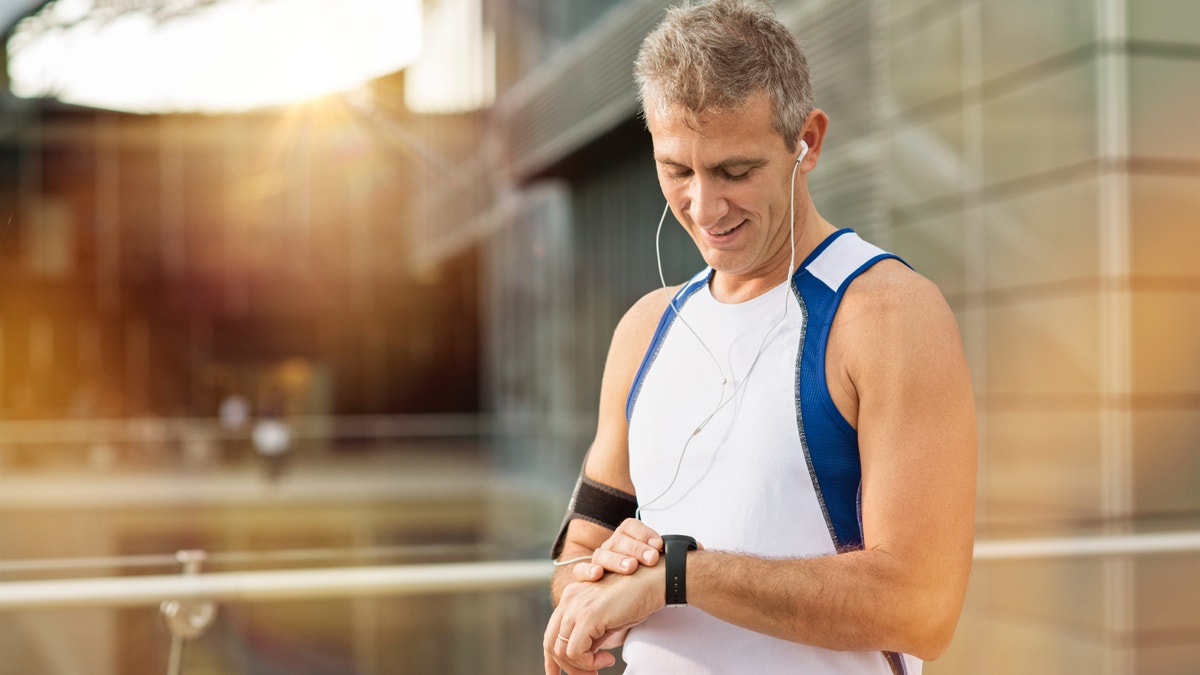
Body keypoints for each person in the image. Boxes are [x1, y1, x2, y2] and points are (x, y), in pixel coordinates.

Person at [543, 1, 977, 674]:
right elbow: (581, 544)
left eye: (735, 172)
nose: (705, 208)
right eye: (677, 171)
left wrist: (678, 573)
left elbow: (923, 605)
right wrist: (587, 594)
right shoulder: (645, 328)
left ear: (809, 140)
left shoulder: (889, 316)